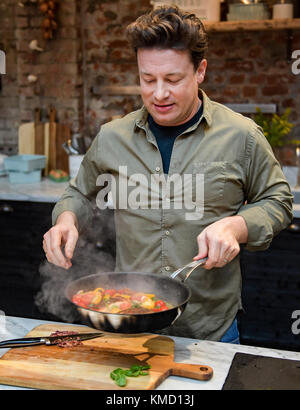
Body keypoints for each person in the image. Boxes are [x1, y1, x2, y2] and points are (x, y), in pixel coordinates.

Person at [43, 6, 293, 342]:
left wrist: (238, 225)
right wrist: (66, 220)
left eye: (173, 79)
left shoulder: (241, 136)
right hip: (129, 325)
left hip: (210, 330)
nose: (159, 93)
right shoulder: (112, 137)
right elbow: (79, 194)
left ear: (199, 70)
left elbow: (278, 201)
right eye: (148, 79)